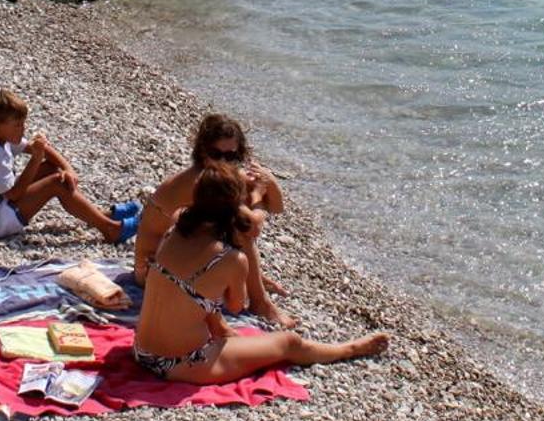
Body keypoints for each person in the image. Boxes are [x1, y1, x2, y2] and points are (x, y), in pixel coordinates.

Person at [131, 164, 387, 384]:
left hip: (141, 351)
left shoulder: (177, 226)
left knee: (199, 297)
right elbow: (235, 304)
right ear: (234, 208)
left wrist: (251, 200)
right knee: (288, 343)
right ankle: (348, 349)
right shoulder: (230, 259)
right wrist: (256, 197)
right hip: (177, 364)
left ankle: (221, 337)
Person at [134, 114, 294, 328]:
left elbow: (276, 207)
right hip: (152, 271)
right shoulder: (200, 182)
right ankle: (260, 302)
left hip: (176, 261)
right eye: (216, 154)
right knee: (239, 230)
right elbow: (252, 226)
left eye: (230, 156)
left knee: (233, 223)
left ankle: (254, 286)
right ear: (203, 152)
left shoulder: (218, 175)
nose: (223, 161)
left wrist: (270, 183)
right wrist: (257, 197)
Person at [0, 89, 130, 243]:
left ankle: (97, 215)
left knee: (53, 169)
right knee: (56, 183)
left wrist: (68, 169)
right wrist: (36, 158)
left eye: (23, 123)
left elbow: (41, 150)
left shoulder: (0, 139)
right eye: (17, 125)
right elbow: (13, 195)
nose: (23, 129)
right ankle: (110, 229)